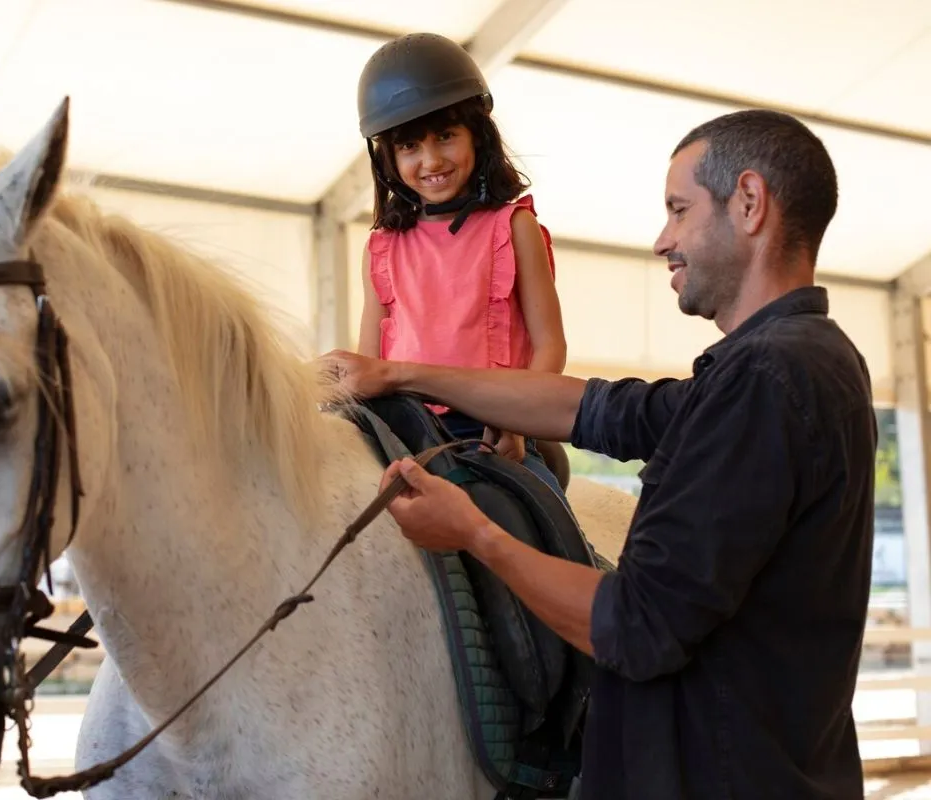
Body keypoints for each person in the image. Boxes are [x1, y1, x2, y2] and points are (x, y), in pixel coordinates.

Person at [322, 108, 877, 800]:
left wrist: (474, 533)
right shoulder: (794, 362)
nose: (662, 240)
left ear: (750, 202)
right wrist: (403, 374)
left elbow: (637, 625)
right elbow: (600, 409)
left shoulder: (767, 381)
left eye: (679, 210)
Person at [353, 32, 571, 499]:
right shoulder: (382, 246)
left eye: (446, 136)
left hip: (493, 428)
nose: (431, 160)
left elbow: (550, 345)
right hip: (403, 428)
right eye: (410, 146)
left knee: (549, 526)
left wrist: (516, 419)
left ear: (478, 134)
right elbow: (370, 359)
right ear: (388, 159)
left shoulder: (514, 227)